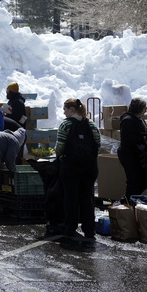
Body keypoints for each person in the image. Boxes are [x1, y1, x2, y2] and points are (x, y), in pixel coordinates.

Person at [55, 98, 100, 242]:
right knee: (87, 198)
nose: (64, 112)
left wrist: (59, 156)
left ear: (72, 110)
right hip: (89, 167)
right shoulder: (91, 124)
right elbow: (98, 144)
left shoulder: (66, 124)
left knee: (70, 198)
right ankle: (89, 230)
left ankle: (69, 229)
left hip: (70, 167)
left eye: (65, 109)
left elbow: (60, 146)